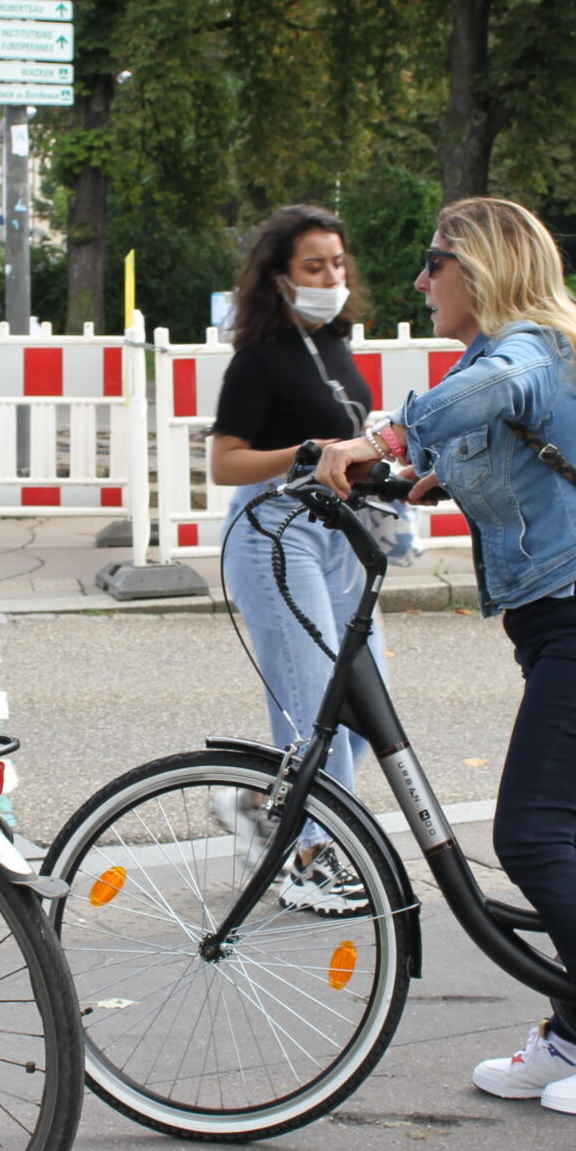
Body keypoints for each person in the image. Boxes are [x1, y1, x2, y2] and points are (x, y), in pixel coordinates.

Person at [316, 197, 576, 1122]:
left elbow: (494, 393)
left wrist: (387, 435)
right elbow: (502, 445)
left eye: (433, 261)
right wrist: (421, 476)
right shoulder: (497, 361)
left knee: (528, 835)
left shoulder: (530, 347)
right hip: (565, 619)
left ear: (481, 267)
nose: (420, 281)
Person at [208, 205, 385, 915]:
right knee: (311, 700)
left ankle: (262, 801)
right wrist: (306, 455)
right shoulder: (260, 358)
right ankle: (310, 857)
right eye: (314, 266)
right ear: (280, 278)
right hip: (272, 530)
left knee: (370, 704)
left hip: (337, 535)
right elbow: (225, 461)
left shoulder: (336, 345)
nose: (331, 277)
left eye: (337, 264)